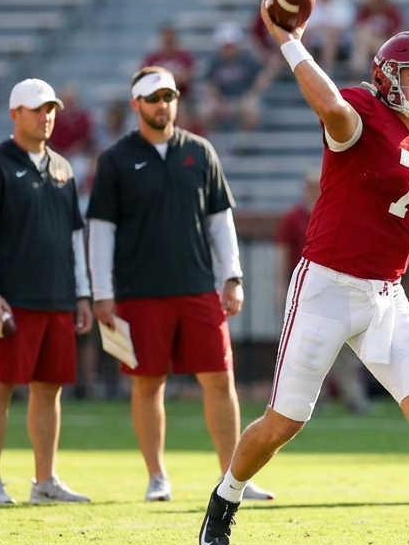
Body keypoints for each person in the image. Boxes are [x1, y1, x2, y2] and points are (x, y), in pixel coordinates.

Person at [197, 17, 409, 545]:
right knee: (286, 420)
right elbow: (331, 109)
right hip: (326, 285)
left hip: (385, 294)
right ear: (387, 79)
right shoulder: (363, 111)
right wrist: (290, 42)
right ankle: (226, 494)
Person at [87, 66, 273, 503]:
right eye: (153, 98)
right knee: (148, 382)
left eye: (168, 96)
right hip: (139, 292)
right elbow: (100, 230)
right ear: (136, 104)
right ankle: (157, 476)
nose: (162, 104)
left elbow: (220, 222)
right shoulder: (115, 160)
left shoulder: (201, 152)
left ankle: (233, 478)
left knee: (219, 379)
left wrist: (232, 276)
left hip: (197, 287)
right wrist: (101, 293)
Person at [0, 79, 94, 505]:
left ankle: (44, 481)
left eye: (51, 109)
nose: (46, 116)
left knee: (50, 387)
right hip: (12, 297)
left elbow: (75, 236)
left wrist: (81, 293)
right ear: (14, 114)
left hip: (57, 296)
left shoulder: (63, 167)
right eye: (37, 109)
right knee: (0, 383)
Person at [274, 170, 370, 415]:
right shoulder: (293, 218)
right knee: (309, 345)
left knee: (344, 345)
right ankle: (316, 397)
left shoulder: (336, 211)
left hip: (336, 288)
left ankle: (353, 396)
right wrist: (280, 285)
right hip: (307, 290)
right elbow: (283, 254)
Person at [200, 23, 273, 133]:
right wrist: (219, 102)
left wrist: (250, 95)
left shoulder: (247, 60)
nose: (229, 49)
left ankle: (244, 144)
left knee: (252, 109)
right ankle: (215, 141)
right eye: (226, 46)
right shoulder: (214, 62)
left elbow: (260, 79)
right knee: (205, 111)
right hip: (221, 100)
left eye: (231, 45)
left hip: (242, 99)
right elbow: (209, 85)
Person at [349, 0, 406, 78]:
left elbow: (397, 32)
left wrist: (378, 33)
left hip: (386, 43)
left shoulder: (391, 10)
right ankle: (358, 70)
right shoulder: (365, 10)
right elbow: (359, 26)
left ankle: (357, 70)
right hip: (368, 42)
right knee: (364, 36)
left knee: (364, 38)